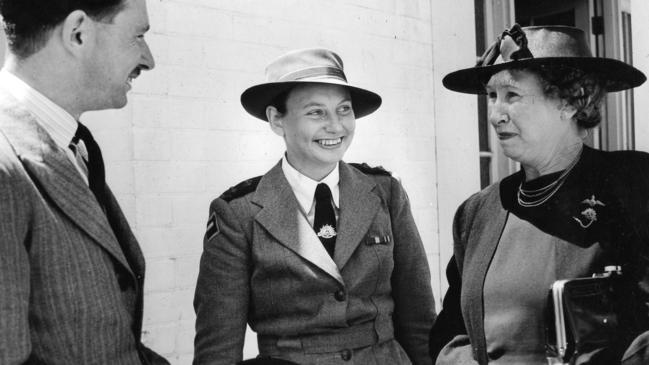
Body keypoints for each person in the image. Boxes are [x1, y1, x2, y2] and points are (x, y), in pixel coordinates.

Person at [193, 48, 436, 365]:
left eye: (344, 110)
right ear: (276, 119)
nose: (336, 126)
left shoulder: (385, 193)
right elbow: (218, 348)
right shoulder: (239, 213)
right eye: (316, 113)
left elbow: (418, 319)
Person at [430, 24, 649, 365]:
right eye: (492, 96)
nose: (495, 114)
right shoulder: (478, 212)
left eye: (512, 96)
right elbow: (451, 331)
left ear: (570, 101)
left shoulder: (634, 185)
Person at [0, 1, 168, 364]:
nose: (148, 59)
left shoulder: (70, 146)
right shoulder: (5, 167)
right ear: (78, 32)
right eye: (138, 35)